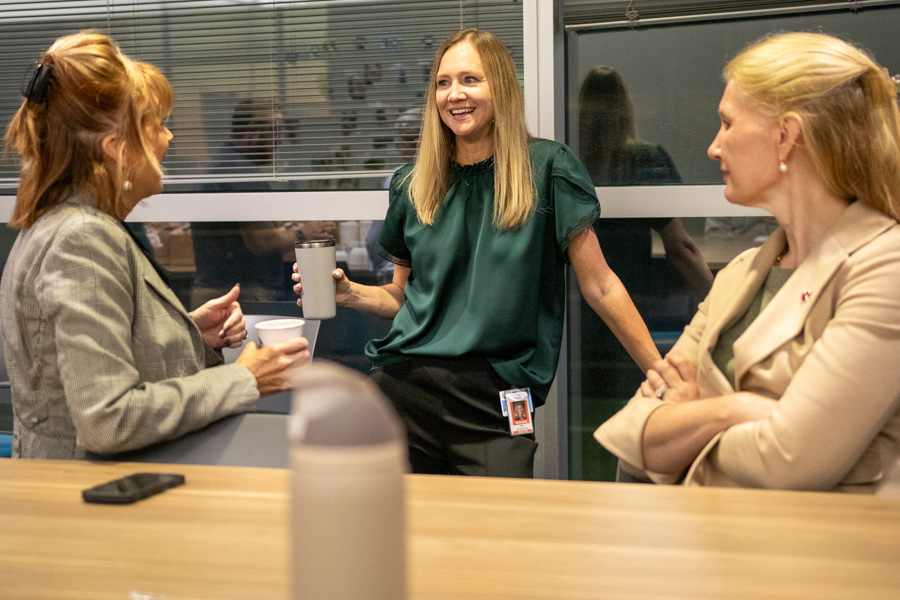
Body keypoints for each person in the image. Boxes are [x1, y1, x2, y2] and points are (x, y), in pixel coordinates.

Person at [294, 29, 661, 478]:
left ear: (501, 87)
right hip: (405, 389)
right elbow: (401, 299)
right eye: (443, 83)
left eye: (470, 79)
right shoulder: (413, 183)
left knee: (498, 538)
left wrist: (662, 373)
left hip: (497, 397)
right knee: (404, 539)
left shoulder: (548, 168)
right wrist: (349, 292)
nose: (455, 94)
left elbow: (601, 285)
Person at [595, 32, 900, 492]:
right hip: (717, 549)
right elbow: (631, 431)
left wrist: (684, 427)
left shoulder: (885, 268)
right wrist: (730, 410)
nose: (713, 148)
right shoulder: (741, 274)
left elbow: (790, 460)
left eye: (728, 124)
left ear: (786, 136)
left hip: (820, 557)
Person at [0, 32, 308, 460]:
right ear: (116, 150)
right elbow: (108, 418)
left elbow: (90, 360)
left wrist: (184, 334)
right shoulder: (80, 239)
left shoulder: (65, 226)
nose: (169, 139)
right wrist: (245, 380)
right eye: (157, 126)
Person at [191, 99, 300, 308]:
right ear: (252, 132)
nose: (280, 141)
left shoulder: (227, 161)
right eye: (275, 132)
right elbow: (261, 241)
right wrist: (305, 234)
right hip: (237, 296)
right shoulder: (241, 170)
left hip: (223, 291)